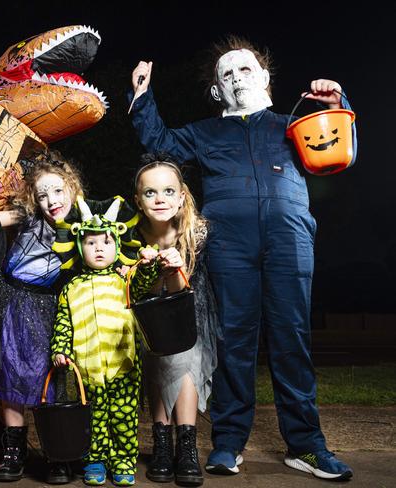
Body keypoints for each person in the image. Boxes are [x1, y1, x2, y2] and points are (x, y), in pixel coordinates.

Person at [128, 36, 356, 481]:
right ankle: (228, 443)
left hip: (289, 240)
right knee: (235, 341)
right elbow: (159, 143)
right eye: (226, 74)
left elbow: (338, 153)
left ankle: (306, 446)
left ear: (266, 78)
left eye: (246, 68)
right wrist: (141, 96)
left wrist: (337, 101)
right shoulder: (204, 132)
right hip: (230, 246)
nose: (237, 77)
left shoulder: (293, 125)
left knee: (292, 340)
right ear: (217, 91)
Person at [0, 150, 83, 483]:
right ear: (34, 199)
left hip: (52, 307)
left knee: (48, 381)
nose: (51, 200)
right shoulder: (29, 217)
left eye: (57, 191)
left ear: (72, 188)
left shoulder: (86, 222)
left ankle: (57, 453)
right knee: (10, 377)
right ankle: (14, 452)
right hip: (11, 302)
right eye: (43, 195)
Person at [50, 196, 174, 487]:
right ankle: (95, 461)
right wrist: (60, 348)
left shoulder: (124, 280)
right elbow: (64, 321)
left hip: (124, 366)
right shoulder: (72, 287)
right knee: (93, 419)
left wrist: (147, 266)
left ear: (116, 246)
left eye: (105, 243)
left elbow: (144, 283)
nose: (99, 249)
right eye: (91, 244)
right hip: (87, 369)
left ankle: (122, 461)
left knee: (124, 418)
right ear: (81, 248)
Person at [132, 155, 219, 487]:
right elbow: (142, 293)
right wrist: (148, 269)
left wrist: (175, 270)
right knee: (156, 359)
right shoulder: (132, 235)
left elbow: (185, 293)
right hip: (149, 314)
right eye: (150, 193)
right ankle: (162, 444)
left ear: (182, 195)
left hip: (190, 311)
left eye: (169, 191)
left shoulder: (197, 231)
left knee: (184, 358)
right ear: (138, 200)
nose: (160, 199)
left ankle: (187, 447)